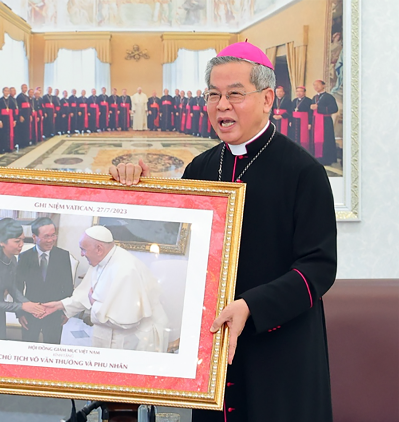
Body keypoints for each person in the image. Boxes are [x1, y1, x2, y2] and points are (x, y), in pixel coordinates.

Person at [109, 42, 337, 422]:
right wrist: (132, 188)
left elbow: (318, 268)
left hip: (280, 349)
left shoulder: (303, 172)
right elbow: (173, 239)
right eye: (213, 94)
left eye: (234, 94)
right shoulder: (201, 166)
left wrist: (251, 305)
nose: (221, 105)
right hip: (216, 351)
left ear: (267, 99)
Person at [42, 226, 168, 353]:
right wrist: (59, 305)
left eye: (83, 249)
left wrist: (94, 304)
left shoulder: (127, 270)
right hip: (109, 334)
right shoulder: (101, 260)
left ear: (99, 249)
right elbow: (86, 293)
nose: (81, 254)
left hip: (133, 339)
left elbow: (126, 321)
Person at [15, 218, 74, 344]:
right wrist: (20, 312)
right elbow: (18, 287)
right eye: (46, 236)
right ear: (35, 237)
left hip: (55, 313)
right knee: (28, 347)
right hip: (31, 311)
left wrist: (66, 310)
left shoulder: (63, 256)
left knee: (52, 347)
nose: (51, 240)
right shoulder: (24, 257)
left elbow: (68, 285)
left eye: (53, 235)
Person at [311, 79, 339, 165]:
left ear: (323, 85)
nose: (316, 87)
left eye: (318, 85)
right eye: (314, 85)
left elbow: (334, 109)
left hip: (325, 122)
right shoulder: (314, 97)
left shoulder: (329, 97)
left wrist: (318, 108)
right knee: (315, 139)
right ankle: (317, 156)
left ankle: (326, 158)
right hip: (315, 121)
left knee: (326, 139)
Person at [290, 86, 313, 151]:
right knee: (295, 135)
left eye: (301, 91)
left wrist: (310, 123)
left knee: (304, 137)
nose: (299, 93)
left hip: (304, 121)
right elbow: (292, 111)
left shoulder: (309, 101)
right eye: (297, 91)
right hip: (295, 121)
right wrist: (291, 121)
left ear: (304, 92)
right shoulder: (294, 101)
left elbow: (310, 113)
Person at [0, 87, 15, 153]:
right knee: (2, 134)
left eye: (8, 91)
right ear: (3, 91)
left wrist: (14, 120)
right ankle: (2, 148)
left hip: (10, 119)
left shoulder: (11, 100)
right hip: (3, 119)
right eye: (5, 91)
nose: (6, 92)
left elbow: (13, 111)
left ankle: (8, 147)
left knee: (9, 133)